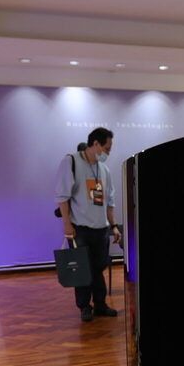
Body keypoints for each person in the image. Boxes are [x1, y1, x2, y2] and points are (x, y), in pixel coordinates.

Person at [55, 127, 122, 321]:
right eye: (107, 149)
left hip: (101, 230)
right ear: (95, 144)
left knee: (99, 269)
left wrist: (114, 226)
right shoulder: (71, 162)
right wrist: (67, 225)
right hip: (80, 229)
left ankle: (100, 304)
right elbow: (62, 197)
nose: (108, 153)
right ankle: (85, 306)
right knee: (82, 270)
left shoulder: (104, 170)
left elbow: (109, 202)